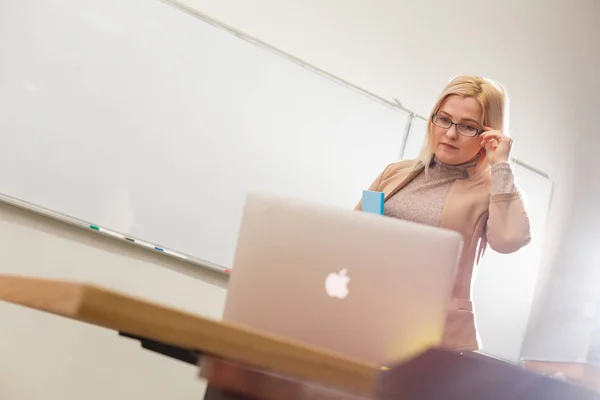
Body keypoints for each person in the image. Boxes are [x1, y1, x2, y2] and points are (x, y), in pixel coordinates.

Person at [356, 75, 531, 351]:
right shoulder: (395, 173)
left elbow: (510, 240)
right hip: (364, 312)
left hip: (429, 334)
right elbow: (353, 233)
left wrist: (501, 166)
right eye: (445, 119)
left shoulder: (492, 190)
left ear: (489, 135)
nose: (451, 133)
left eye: (468, 127)